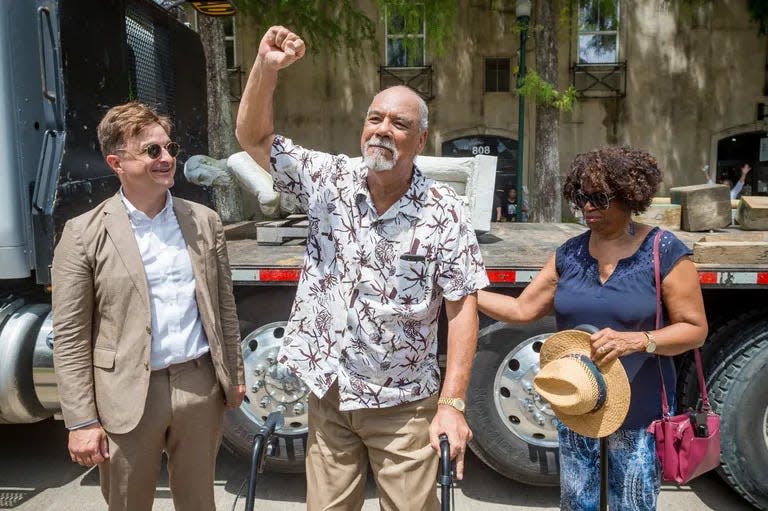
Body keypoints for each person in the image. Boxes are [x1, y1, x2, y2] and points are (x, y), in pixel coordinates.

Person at [236, 26, 489, 510]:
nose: (382, 129)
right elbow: (254, 137)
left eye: (398, 123)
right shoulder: (328, 181)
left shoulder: (445, 211)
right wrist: (266, 68)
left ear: (420, 138)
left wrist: (452, 404)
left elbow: (461, 309)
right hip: (330, 395)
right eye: (375, 118)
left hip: (403, 405)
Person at [477, 146, 708, 510]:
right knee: (578, 504)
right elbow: (522, 309)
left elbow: (694, 329)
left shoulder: (663, 251)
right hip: (578, 404)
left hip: (639, 412)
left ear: (630, 196)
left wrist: (638, 340)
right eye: (581, 197)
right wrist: (462, 293)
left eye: (599, 198)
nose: (588, 207)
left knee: (631, 505)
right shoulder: (569, 254)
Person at [52, 102, 246, 511]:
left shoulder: (204, 221)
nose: (168, 159)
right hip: (126, 393)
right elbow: (69, 337)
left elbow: (224, 307)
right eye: (152, 151)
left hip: (198, 387)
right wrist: (82, 421)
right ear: (116, 162)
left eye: (170, 147)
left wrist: (234, 375)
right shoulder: (85, 233)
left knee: (199, 505)